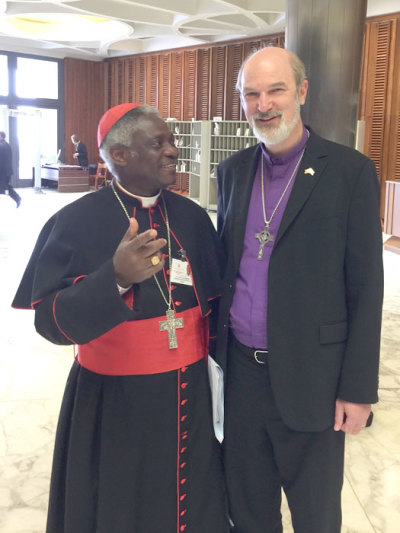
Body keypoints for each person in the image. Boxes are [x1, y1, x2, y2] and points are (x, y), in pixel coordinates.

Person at [13, 103, 229, 533]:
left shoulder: (191, 217)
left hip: (191, 392)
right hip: (115, 403)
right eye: (158, 143)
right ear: (120, 155)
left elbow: (219, 303)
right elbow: (49, 322)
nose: (173, 150)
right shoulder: (73, 222)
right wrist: (113, 278)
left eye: (172, 141)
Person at [216, 46, 383, 533]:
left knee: (315, 514)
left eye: (276, 90)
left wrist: (358, 389)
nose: (263, 104)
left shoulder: (349, 172)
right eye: (252, 94)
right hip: (242, 376)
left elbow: (366, 287)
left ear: (302, 92)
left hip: (315, 378)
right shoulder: (233, 172)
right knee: (247, 509)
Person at [0, 131, 21, 207]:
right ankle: (17, 198)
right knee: (5, 187)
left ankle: (17, 198)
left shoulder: (1, 146)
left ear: (1, 136)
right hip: (6, 172)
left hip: (3, 172)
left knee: (5, 187)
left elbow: (1, 161)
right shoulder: (6, 145)